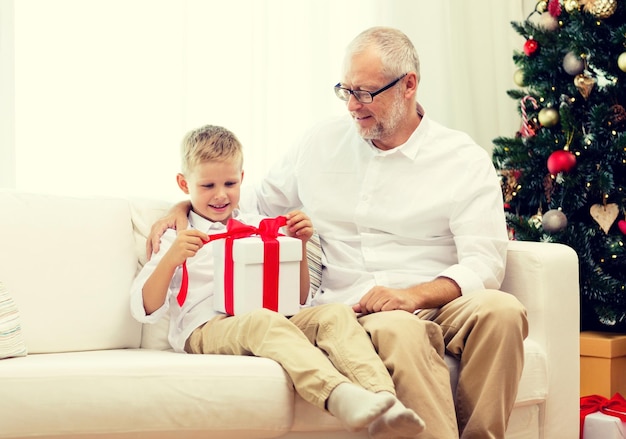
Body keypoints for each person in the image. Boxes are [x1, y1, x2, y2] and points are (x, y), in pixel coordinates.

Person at [148, 27, 529, 439]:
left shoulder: (462, 159)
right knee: (400, 328)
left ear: (408, 86)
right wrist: (184, 206)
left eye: (364, 93)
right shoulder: (320, 143)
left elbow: (485, 262)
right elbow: (248, 202)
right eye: (344, 90)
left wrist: (414, 295)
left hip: (435, 296)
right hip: (357, 307)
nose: (351, 106)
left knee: (504, 311)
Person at [131, 124, 427, 439]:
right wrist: (171, 258)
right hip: (205, 326)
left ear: (242, 179)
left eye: (230, 183)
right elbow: (143, 307)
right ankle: (337, 395)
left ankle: (384, 401)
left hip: (271, 314)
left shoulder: (259, 225)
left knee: (335, 313)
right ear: (183, 183)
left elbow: (298, 299)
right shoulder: (175, 235)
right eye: (207, 185)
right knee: (261, 321)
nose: (220, 194)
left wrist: (298, 246)